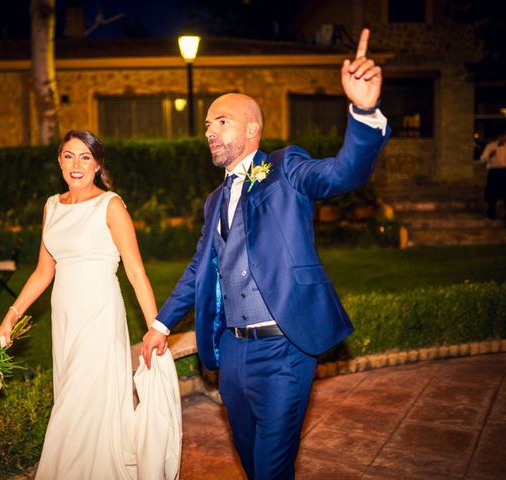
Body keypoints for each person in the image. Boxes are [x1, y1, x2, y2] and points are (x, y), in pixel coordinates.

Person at [142, 28, 390, 479]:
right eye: (206, 125)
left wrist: (364, 111)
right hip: (232, 352)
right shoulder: (213, 201)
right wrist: (161, 324)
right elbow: (201, 266)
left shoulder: (285, 168)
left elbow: (342, 174)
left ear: (252, 129)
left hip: (284, 348)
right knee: (250, 457)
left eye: (221, 121)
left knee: (272, 465)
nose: (209, 132)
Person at [0, 130, 180, 479]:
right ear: (59, 162)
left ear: (97, 164)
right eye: (68, 156)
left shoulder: (110, 205)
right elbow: (42, 272)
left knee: (74, 405)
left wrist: (156, 327)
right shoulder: (51, 206)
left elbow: (136, 272)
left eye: (85, 157)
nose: (76, 164)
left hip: (99, 315)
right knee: (74, 399)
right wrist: (10, 318)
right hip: (64, 317)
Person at [479, 130, 506, 219]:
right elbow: (482, 159)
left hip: (504, 171)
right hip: (494, 171)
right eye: (502, 136)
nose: (503, 138)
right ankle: (491, 212)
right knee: (492, 194)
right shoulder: (491, 146)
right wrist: (490, 155)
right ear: (498, 137)